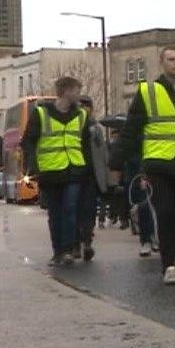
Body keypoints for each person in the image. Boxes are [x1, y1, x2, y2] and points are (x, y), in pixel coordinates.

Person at [110, 46, 175, 286]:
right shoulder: (147, 92)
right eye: (171, 59)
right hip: (158, 164)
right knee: (165, 213)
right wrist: (116, 163)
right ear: (161, 62)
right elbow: (131, 130)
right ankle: (168, 265)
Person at [23, 76, 94, 266]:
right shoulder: (40, 113)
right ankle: (59, 251)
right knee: (55, 213)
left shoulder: (81, 115)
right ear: (66, 91)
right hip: (49, 171)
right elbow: (29, 141)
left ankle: (69, 250)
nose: (79, 95)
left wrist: (88, 169)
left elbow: (86, 144)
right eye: (77, 91)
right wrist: (34, 166)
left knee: (70, 209)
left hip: (74, 169)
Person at [75, 95, 108, 262]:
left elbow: (103, 153)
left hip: (91, 176)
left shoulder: (96, 129)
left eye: (87, 107)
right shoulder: (73, 126)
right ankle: (76, 242)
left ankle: (87, 242)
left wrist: (107, 179)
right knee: (75, 210)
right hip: (74, 174)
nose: (85, 110)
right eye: (82, 106)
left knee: (89, 210)